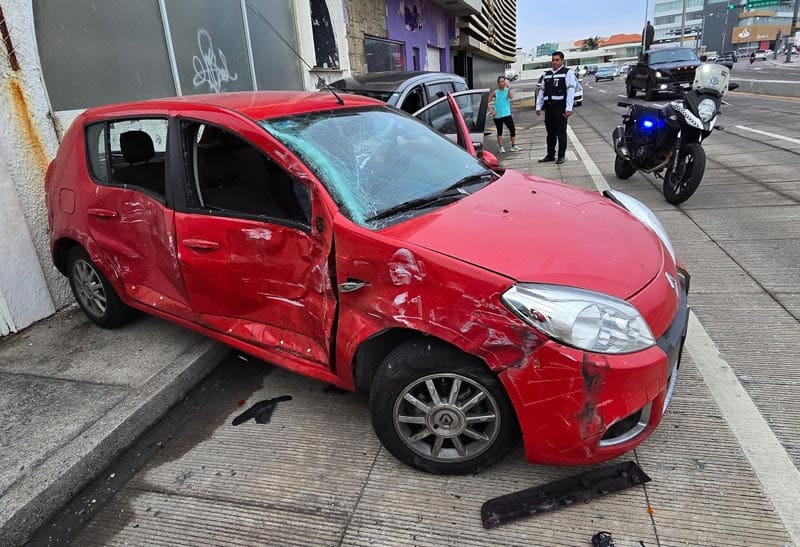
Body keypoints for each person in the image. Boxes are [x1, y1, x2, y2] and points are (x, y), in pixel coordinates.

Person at [535, 51, 577, 164]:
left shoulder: (567, 73)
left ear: (562, 61)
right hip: (549, 108)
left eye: (557, 60)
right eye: (553, 60)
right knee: (550, 133)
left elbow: (570, 90)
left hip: (560, 108)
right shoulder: (547, 74)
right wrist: (538, 106)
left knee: (561, 133)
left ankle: (561, 156)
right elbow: (541, 91)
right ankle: (550, 155)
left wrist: (569, 108)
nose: (554, 62)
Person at [488, 75, 520, 153]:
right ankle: (501, 147)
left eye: (503, 81)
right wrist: (491, 111)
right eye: (500, 82)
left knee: (512, 129)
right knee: (500, 131)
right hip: (498, 115)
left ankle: (513, 145)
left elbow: (511, 97)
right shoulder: (495, 92)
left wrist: (509, 87)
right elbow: (486, 101)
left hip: (507, 114)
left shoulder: (507, 90)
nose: (501, 83)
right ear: (498, 83)